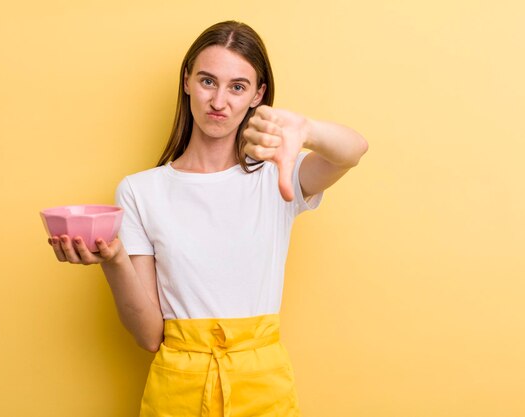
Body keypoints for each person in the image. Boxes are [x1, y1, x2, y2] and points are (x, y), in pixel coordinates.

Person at [48, 20, 367, 417]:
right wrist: (113, 261)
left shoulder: (276, 176)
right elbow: (149, 336)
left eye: (237, 86)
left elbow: (353, 151)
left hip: (262, 387)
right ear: (186, 82)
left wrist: (306, 130)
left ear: (258, 95)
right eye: (207, 81)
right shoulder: (140, 191)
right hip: (177, 390)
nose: (219, 101)